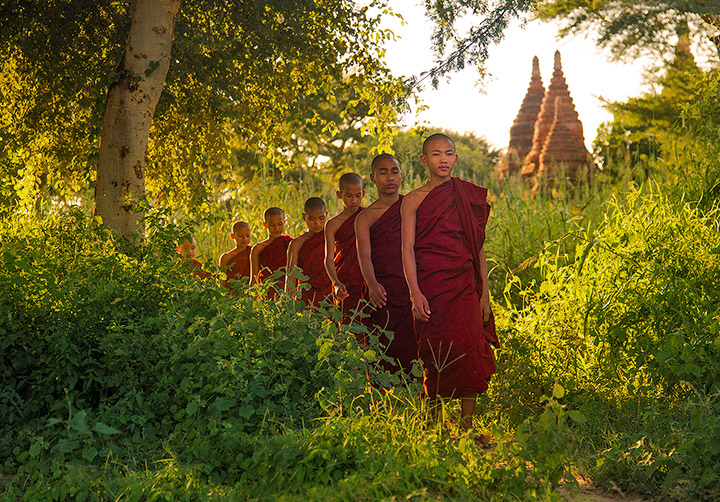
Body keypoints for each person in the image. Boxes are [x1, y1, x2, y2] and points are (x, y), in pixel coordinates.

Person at [400, 133, 499, 444]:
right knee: (435, 351)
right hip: (432, 287)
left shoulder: (467, 196)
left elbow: (479, 247)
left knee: (470, 349)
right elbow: (407, 249)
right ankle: (434, 427)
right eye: (435, 154)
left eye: (448, 153)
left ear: (456, 158)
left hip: (464, 284)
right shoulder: (413, 200)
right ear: (424, 160)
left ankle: (467, 427)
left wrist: (484, 294)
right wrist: (415, 293)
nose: (442, 159)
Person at [355, 154, 417, 375]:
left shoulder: (413, 206)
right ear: (372, 178)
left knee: (416, 356)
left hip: (412, 289)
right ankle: (382, 404)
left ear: (401, 175)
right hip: (383, 293)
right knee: (381, 354)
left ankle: (421, 402)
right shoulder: (365, 217)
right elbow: (364, 255)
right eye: (383, 172)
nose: (390, 177)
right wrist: (371, 284)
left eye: (394, 171)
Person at [324, 172, 367, 329]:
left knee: (369, 329)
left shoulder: (368, 216)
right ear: (339, 194)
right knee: (348, 329)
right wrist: (335, 282)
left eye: (357, 195)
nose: (354, 200)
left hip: (367, 281)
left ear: (363, 194)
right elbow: (328, 258)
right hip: (345, 281)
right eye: (349, 196)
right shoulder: (333, 224)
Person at [285, 197, 332, 306]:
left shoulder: (332, 237)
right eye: (312, 219)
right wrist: (288, 304)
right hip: (307, 295)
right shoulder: (297, 243)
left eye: (321, 218)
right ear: (304, 217)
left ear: (326, 215)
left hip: (330, 294)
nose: (317, 223)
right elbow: (291, 275)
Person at [249, 207, 293, 299]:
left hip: (289, 292)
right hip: (268, 293)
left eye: (280, 224)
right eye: (272, 225)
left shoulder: (290, 243)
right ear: (265, 225)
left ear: (284, 223)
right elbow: (254, 279)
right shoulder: (257, 249)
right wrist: (253, 301)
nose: (277, 228)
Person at [218, 220, 252, 291]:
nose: (245, 239)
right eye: (240, 236)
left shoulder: (253, 252)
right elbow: (222, 282)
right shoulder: (226, 257)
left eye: (247, 236)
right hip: (232, 294)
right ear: (232, 236)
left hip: (249, 292)